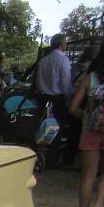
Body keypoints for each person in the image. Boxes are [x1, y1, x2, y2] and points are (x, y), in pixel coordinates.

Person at [68, 42, 104, 207]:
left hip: (90, 132)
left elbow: (73, 108)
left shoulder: (90, 78)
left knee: (88, 176)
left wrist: (88, 116)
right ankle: (98, 205)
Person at [36, 34, 75, 167]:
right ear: (62, 44)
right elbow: (65, 83)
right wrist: (69, 98)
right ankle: (52, 159)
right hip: (57, 98)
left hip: (43, 97)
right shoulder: (63, 60)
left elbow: (38, 81)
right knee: (56, 128)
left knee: (43, 126)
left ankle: (40, 154)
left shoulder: (43, 60)